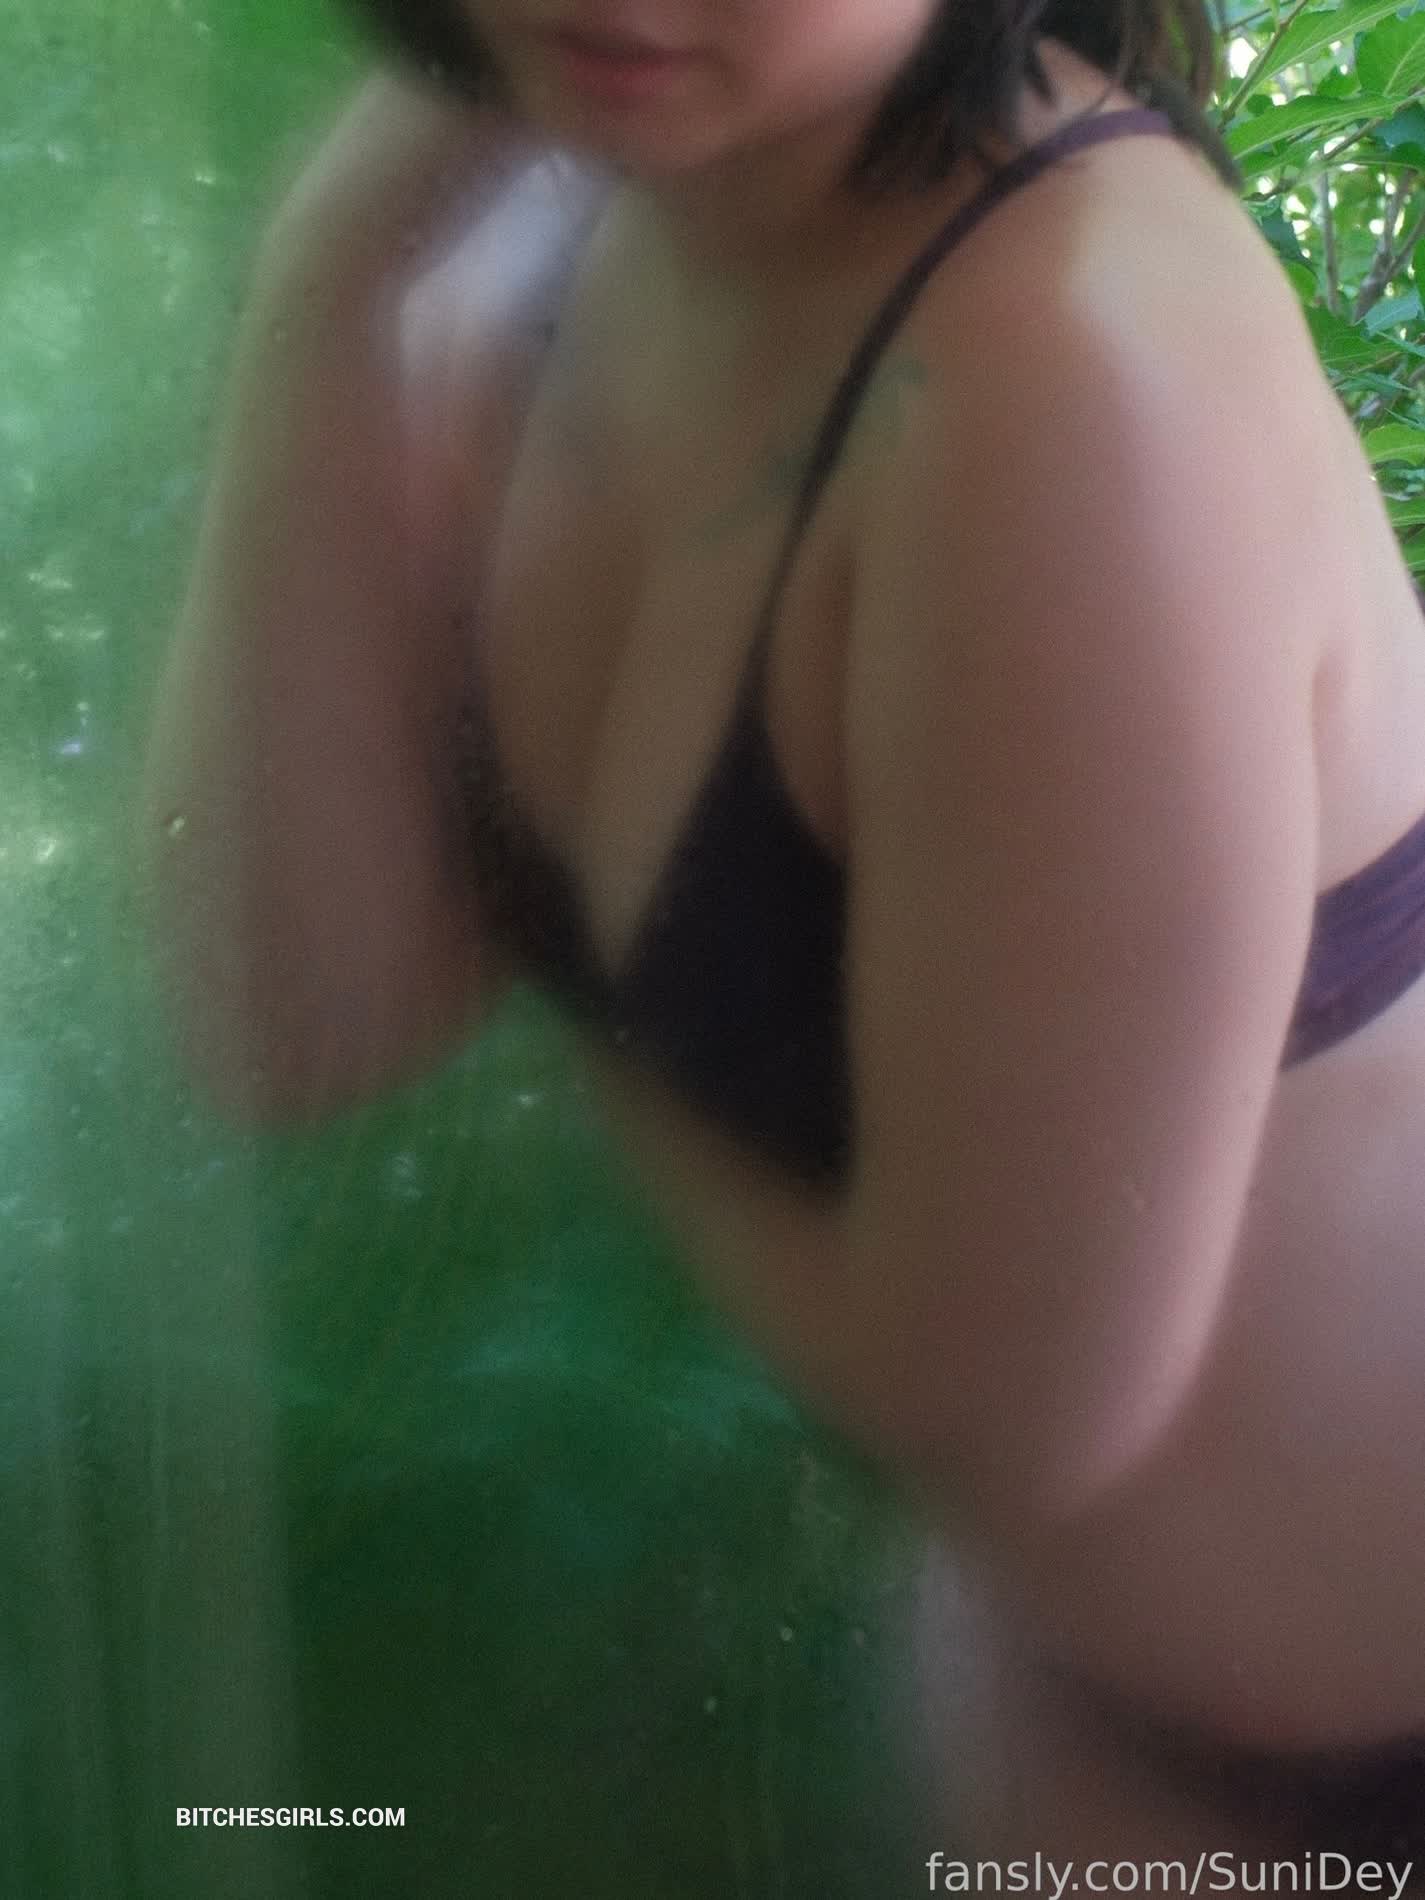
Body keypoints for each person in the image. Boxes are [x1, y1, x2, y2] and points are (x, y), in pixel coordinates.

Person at [141, 0, 1425, 1872]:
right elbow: (297, 1019)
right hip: (1058, 1697)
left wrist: (581, 1016)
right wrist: (331, 271)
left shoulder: (1076, 376)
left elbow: (1006, 1409)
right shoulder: (553, 214)